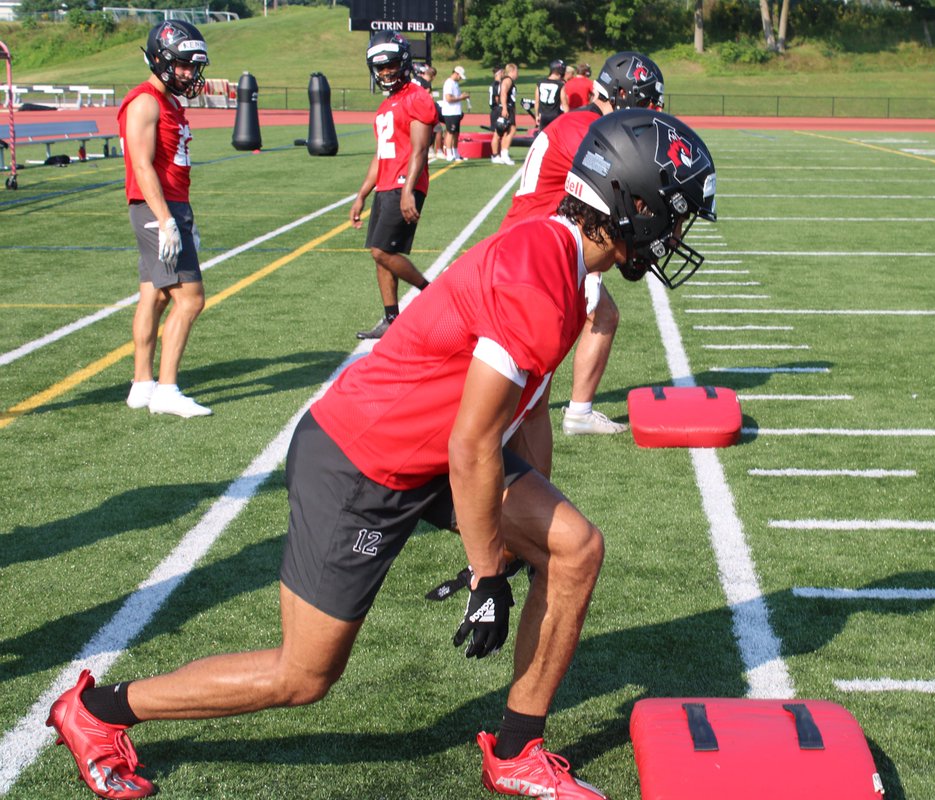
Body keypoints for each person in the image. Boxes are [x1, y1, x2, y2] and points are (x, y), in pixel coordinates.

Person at [45, 108, 718, 800]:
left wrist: (518, 537)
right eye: (672, 217)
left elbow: (523, 413)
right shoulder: (539, 271)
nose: (674, 236)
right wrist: (487, 573)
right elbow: (473, 444)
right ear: (631, 205)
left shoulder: (567, 267)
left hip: (439, 450)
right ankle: (98, 711)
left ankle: (518, 751)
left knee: (573, 549)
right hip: (363, 459)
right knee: (304, 675)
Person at [500, 52, 666, 435]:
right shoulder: (585, 128)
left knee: (602, 316)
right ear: (623, 94)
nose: (650, 113)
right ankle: (519, 418)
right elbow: (610, 193)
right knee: (535, 349)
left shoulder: (586, 123)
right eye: (646, 102)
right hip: (538, 243)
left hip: (549, 237)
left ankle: (577, 412)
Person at [119, 21, 212, 418]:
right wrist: (166, 220)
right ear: (159, 60)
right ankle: (167, 390)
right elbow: (141, 166)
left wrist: (183, 217)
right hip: (157, 207)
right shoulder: (145, 102)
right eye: (183, 65)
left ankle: (142, 385)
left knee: (154, 296)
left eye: (193, 67)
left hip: (170, 205)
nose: (189, 74)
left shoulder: (168, 101)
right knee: (190, 300)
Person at [349, 31, 439, 340]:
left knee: (380, 251)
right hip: (386, 185)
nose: (386, 72)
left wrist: (408, 190)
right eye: (380, 67)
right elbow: (380, 156)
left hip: (404, 184)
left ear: (404, 62)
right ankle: (391, 318)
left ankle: (431, 292)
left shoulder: (417, 97)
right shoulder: (385, 107)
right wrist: (361, 195)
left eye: (391, 65)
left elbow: (420, 149)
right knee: (381, 253)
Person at [439, 64, 469, 161]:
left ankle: (456, 154)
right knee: (450, 133)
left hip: (455, 112)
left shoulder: (455, 83)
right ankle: (449, 154)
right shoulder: (449, 83)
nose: (460, 78)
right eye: (459, 76)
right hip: (450, 112)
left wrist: (461, 97)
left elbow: (455, 97)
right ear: (456, 73)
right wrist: (461, 97)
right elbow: (448, 98)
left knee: (456, 133)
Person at [490, 63, 518, 166]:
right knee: (509, 131)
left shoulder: (507, 80)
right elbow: (503, 93)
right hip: (505, 108)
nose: (517, 74)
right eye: (517, 71)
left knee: (504, 132)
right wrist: (505, 108)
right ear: (512, 71)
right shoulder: (508, 80)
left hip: (506, 108)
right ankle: (501, 155)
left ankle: (501, 155)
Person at [534, 59, 567, 132]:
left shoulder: (540, 83)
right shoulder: (560, 84)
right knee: (555, 136)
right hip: (555, 115)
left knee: (543, 136)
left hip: (543, 116)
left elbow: (537, 102)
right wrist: (567, 117)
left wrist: (536, 116)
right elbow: (564, 104)